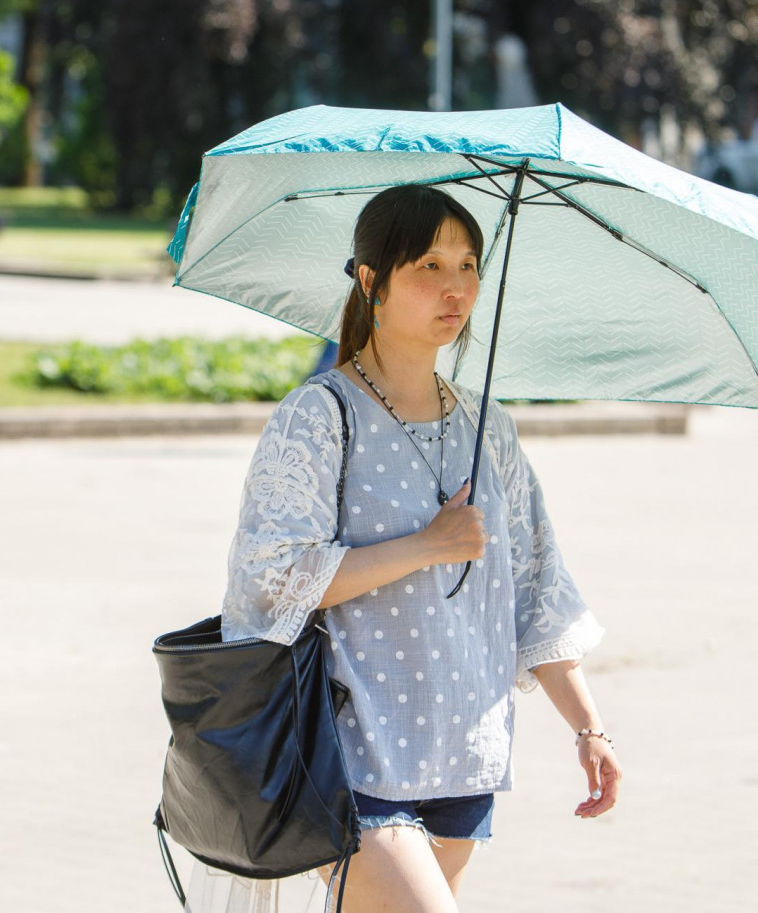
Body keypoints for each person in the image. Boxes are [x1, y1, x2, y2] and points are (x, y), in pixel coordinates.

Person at [220, 183, 621, 913]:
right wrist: (427, 545)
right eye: (429, 266)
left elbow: (537, 589)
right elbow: (274, 577)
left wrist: (590, 729)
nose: (455, 288)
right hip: (349, 751)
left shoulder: (487, 426)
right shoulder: (319, 416)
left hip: (462, 754)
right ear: (371, 280)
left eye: (468, 266)